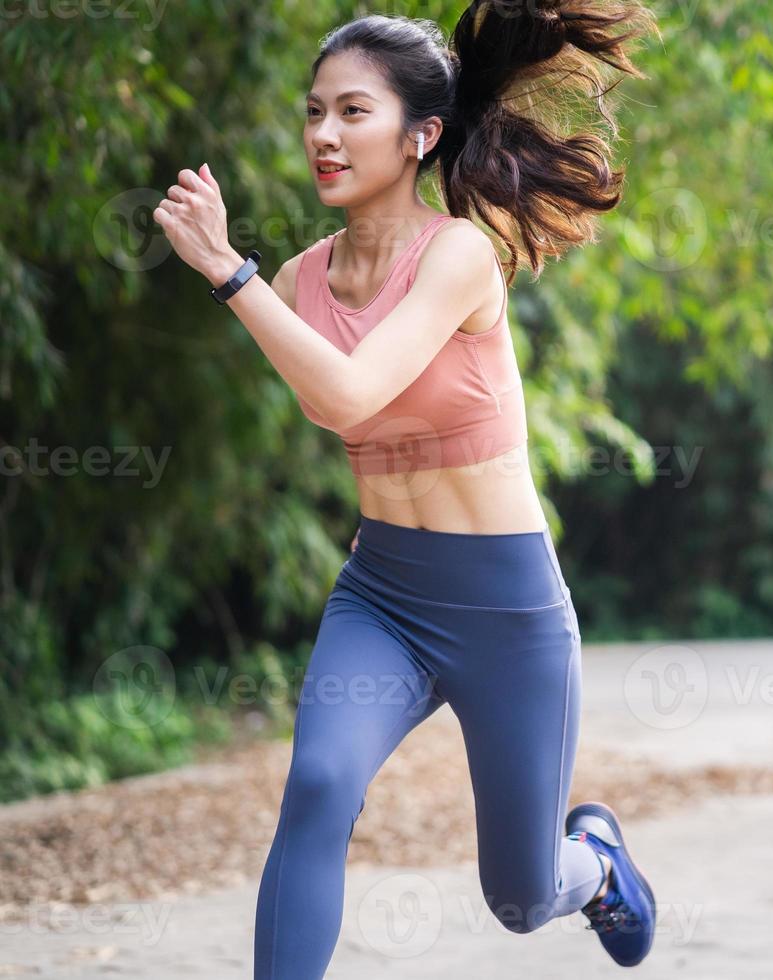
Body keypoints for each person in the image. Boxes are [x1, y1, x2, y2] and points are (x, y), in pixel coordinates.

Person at [149, 3, 660, 976]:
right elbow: (330, 391)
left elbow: (346, 394)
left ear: (420, 134)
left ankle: (592, 866)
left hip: (505, 610)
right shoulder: (300, 279)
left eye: (351, 111)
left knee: (517, 897)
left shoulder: (460, 255)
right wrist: (250, 280)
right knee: (317, 783)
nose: (323, 135)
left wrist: (224, 268)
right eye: (313, 113)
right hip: (382, 592)